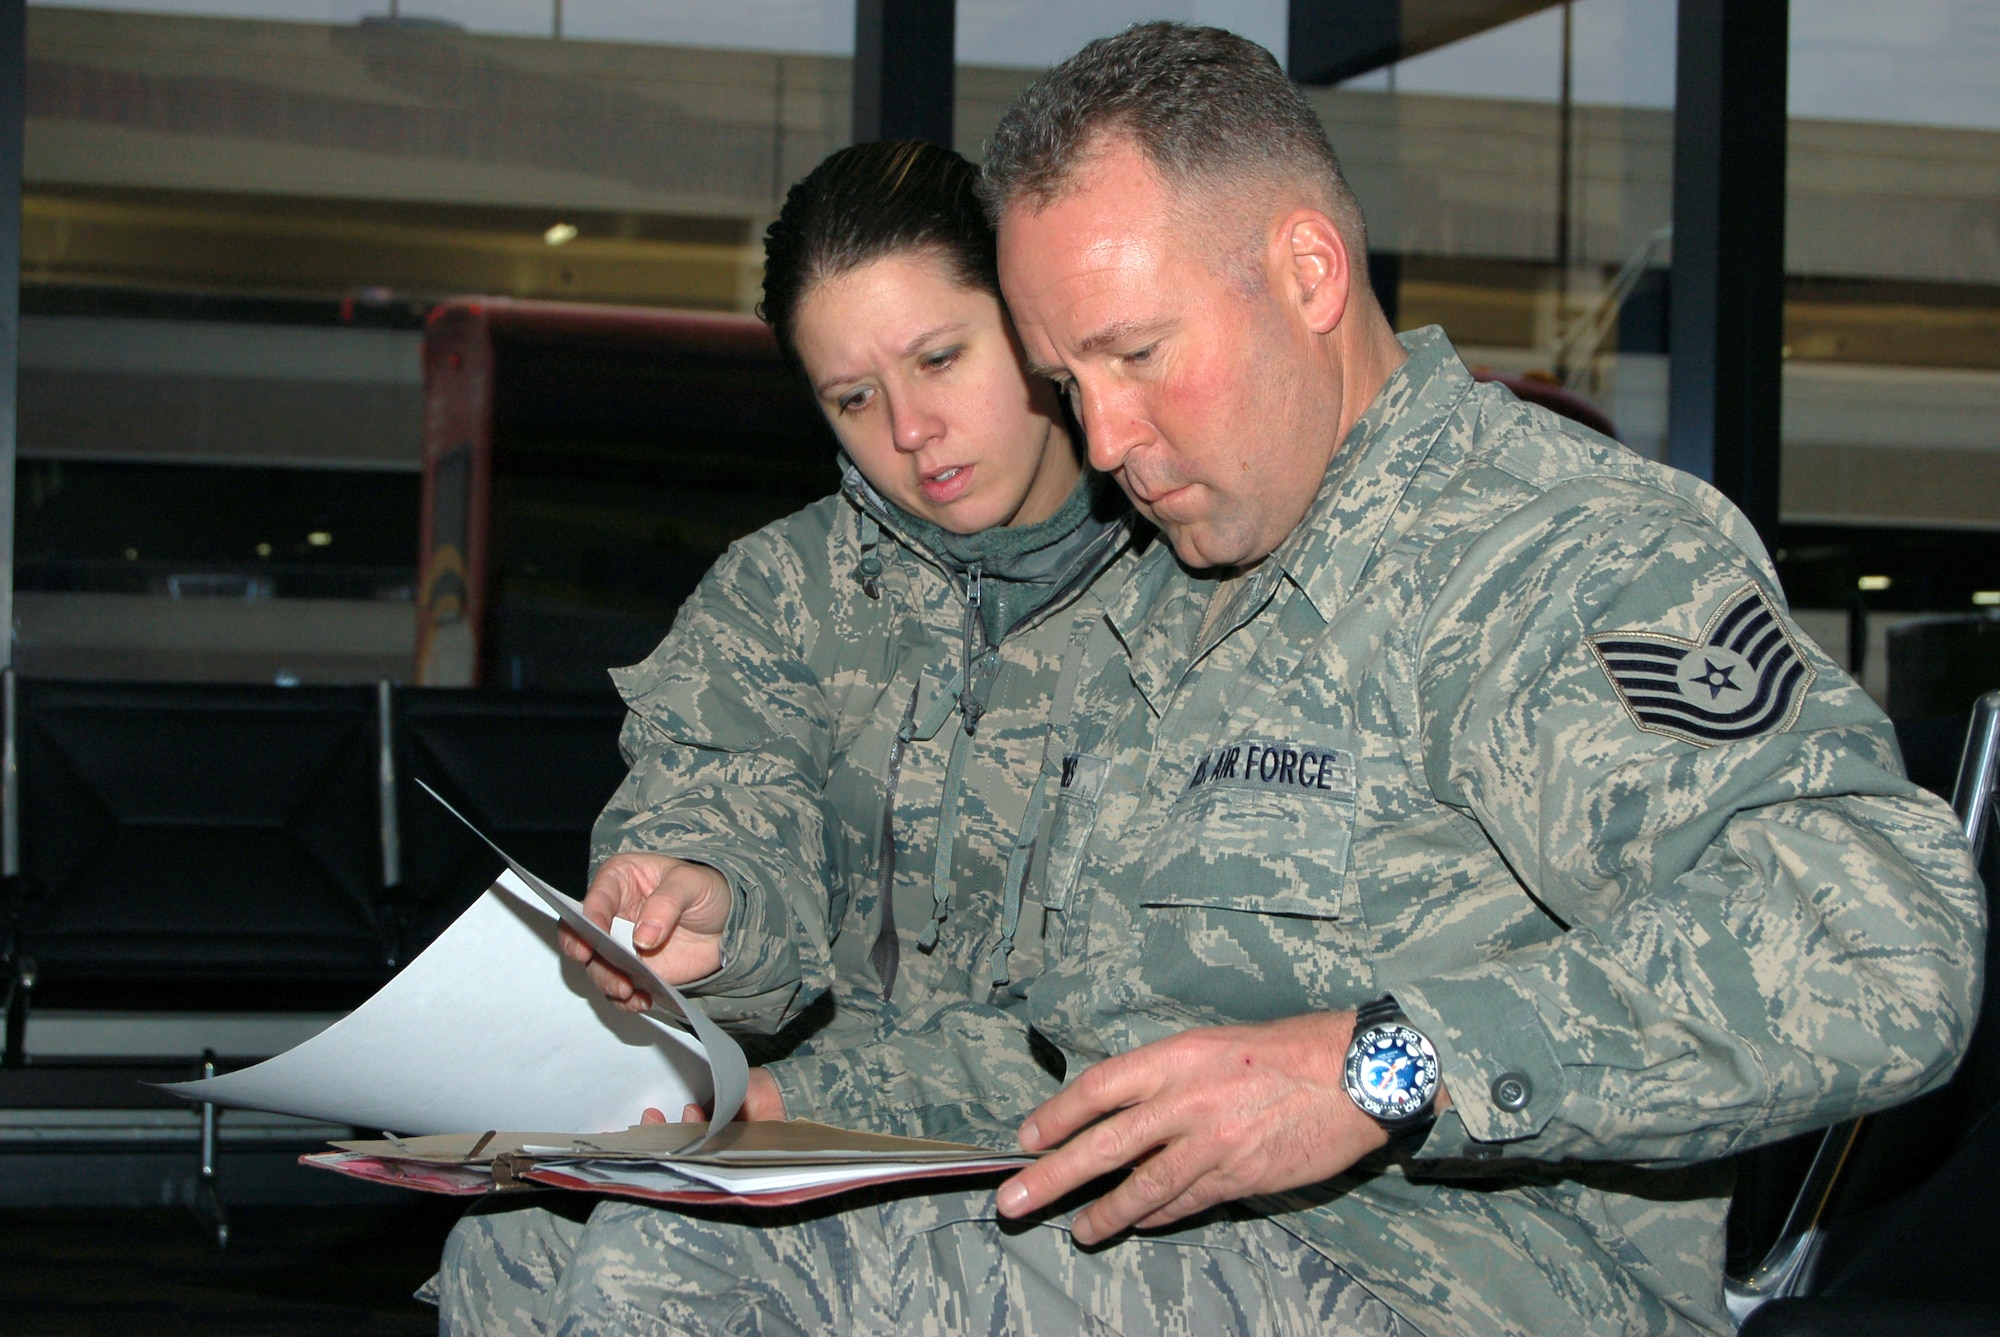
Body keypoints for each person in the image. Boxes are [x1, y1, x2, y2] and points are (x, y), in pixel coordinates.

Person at [441, 25, 1985, 1337]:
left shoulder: (1551, 552)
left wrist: (1381, 1065)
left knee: (692, 1271)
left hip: (1470, 1275)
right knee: (525, 1248)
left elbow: (1883, 935)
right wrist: (822, 1113)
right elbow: (1086, 1050)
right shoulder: (1186, 592)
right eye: (1068, 383)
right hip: (1184, 1237)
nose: (1102, 444)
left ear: (1308, 270)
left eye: (1136, 354)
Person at [431, 139, 1144, 1324]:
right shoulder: (785, 591)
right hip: (815, 1115)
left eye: (940, 358)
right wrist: (702, 897)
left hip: (1057, 1132)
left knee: (654, 1266)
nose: (911, 429)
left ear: (1032, 322)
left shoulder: (1184, 571)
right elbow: (718, 797)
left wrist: (806, 1089)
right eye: (853, 399)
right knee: (503, 1248)